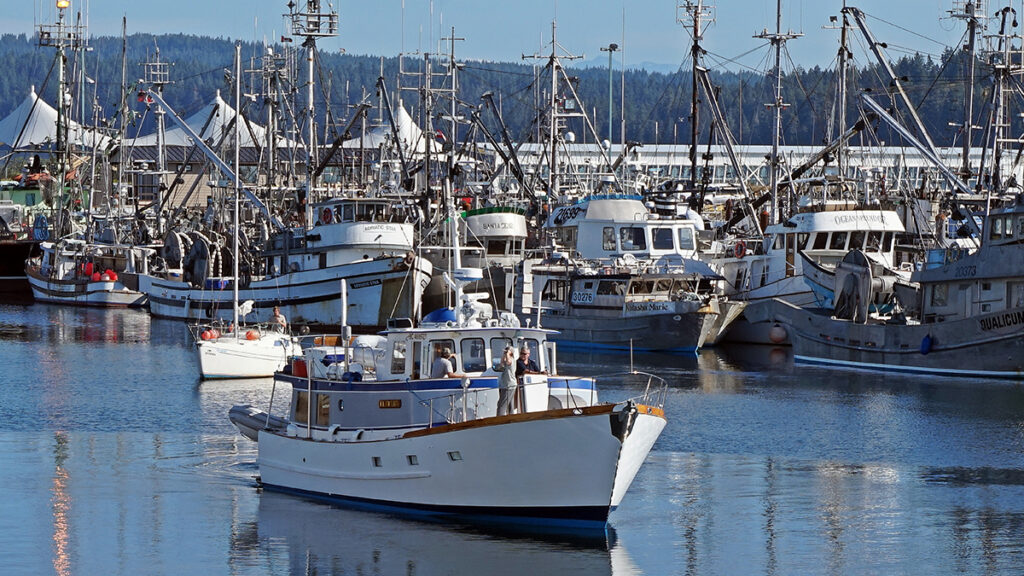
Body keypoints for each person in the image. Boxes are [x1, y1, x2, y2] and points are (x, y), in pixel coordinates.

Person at [496, 346, 518, 416]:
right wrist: (504, 354)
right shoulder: (506, 361)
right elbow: (501, 364)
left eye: (507, 352)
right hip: (505, 385)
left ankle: (499, 420)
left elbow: (508, 361)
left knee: (501, 405)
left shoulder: (512, 360)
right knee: (509, 406)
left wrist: (508, 353)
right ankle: (511, 419)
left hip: (509, 386)